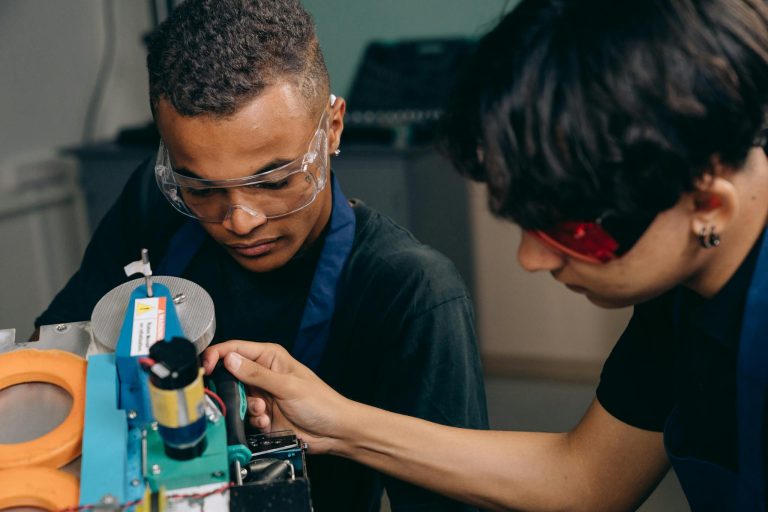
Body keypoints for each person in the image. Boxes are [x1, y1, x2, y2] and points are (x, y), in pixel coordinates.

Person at [202, 0, 768, 510]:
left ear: (707, 205)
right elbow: (587, 479)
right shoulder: (683, 291)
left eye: (570, 231)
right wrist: (337, 423)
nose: (530, 259)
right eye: (522, 220)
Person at [35, 1, 488, 510]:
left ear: (333, 128)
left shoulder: (414, 293)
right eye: (202, 189)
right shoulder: (155, 203)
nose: (240, 220)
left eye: (273, 181)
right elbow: (56, 354)